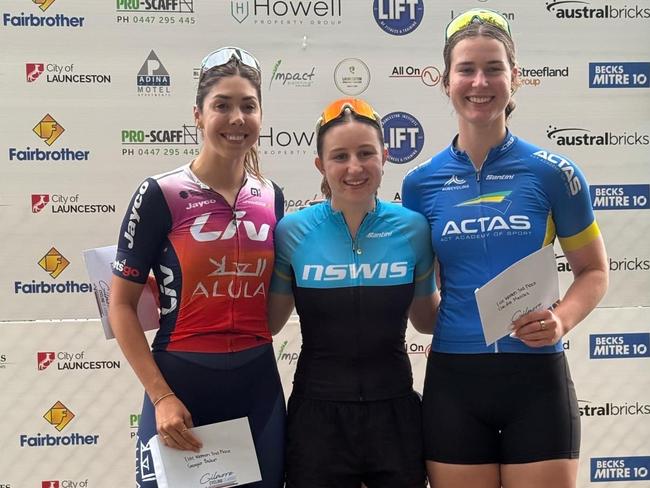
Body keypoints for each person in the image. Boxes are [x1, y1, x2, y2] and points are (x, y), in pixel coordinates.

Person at [401, 9, 609, 488]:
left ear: (515, 77)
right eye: (466, 69)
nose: (480, 81)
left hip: (536, 380)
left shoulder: (554, 173)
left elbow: (594, 271)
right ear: (445, 81)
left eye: (494, 68)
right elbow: (423, 304)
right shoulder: (420, 184)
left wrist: (561, 320)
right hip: (455, 380)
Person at [108, 47, 286, 488]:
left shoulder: (272, 197)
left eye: (248, 105)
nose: (236, 118)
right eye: (222, 105)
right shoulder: (160, 194)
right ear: (198, 115)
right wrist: (161, 395)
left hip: (257, 385)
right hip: (180, 385)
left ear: (261, 115)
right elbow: (121, 307)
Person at [268, 97, 440, 488]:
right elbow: (269, 324)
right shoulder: (291, 232)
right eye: (339, 156)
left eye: (366, 153)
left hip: (395, 414)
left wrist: (497, 303)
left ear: (385, 155)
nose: (354, 167)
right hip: (317, 418)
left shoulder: (414, 229)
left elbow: (427, 320)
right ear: (320, 166)